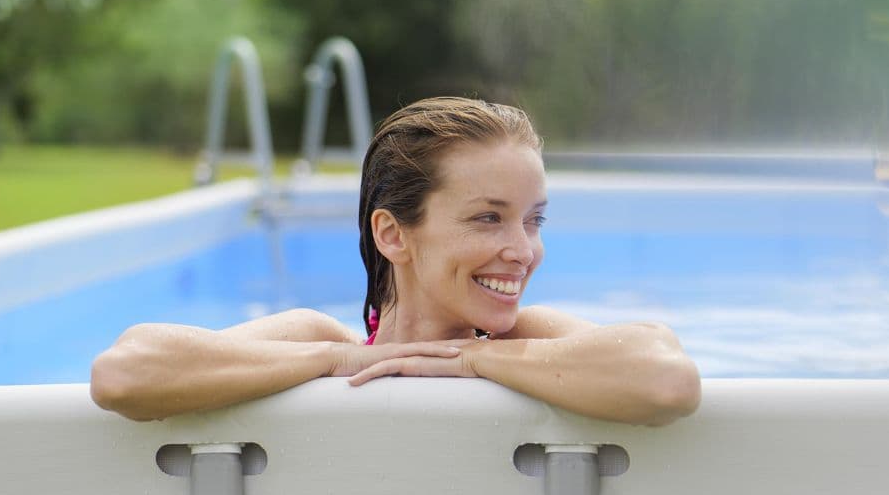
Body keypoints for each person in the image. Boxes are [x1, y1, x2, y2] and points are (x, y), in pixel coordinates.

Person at [91, 97, 700, 424]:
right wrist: (338, 361)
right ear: (392, 234)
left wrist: (473, 360)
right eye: (488, 218)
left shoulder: (522, 341)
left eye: (533, 220)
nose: (523, 250)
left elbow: (666, 378)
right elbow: (125, 373)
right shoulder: (317, 340)